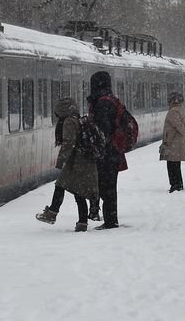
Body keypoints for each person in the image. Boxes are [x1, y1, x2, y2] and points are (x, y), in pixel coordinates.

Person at [35, 97, 99, 232]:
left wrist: (61, 161)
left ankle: (52, 213)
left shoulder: (69, 121)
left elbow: (69, 142)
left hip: (77, 162)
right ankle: (82, 222)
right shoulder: (77, 119)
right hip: (84, 160)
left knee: (61, 185)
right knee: (78, 192)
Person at [87, 71, 127, 230]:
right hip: (113, 152)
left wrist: (96, 146)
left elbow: (103, 131)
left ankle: (110, 221)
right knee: (109, 187)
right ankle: (110, 219)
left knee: (106, 188)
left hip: (107, 154)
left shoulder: (103, 104)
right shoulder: (111, 100)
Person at [159, 91, 185, 193]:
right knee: (176, 165)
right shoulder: (180, 109)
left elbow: (178, 126)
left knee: (172, 165)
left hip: (173, 143)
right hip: (177, 142)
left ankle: (175, 185)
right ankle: (178, 184)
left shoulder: (173, 111)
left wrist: (168, 140)